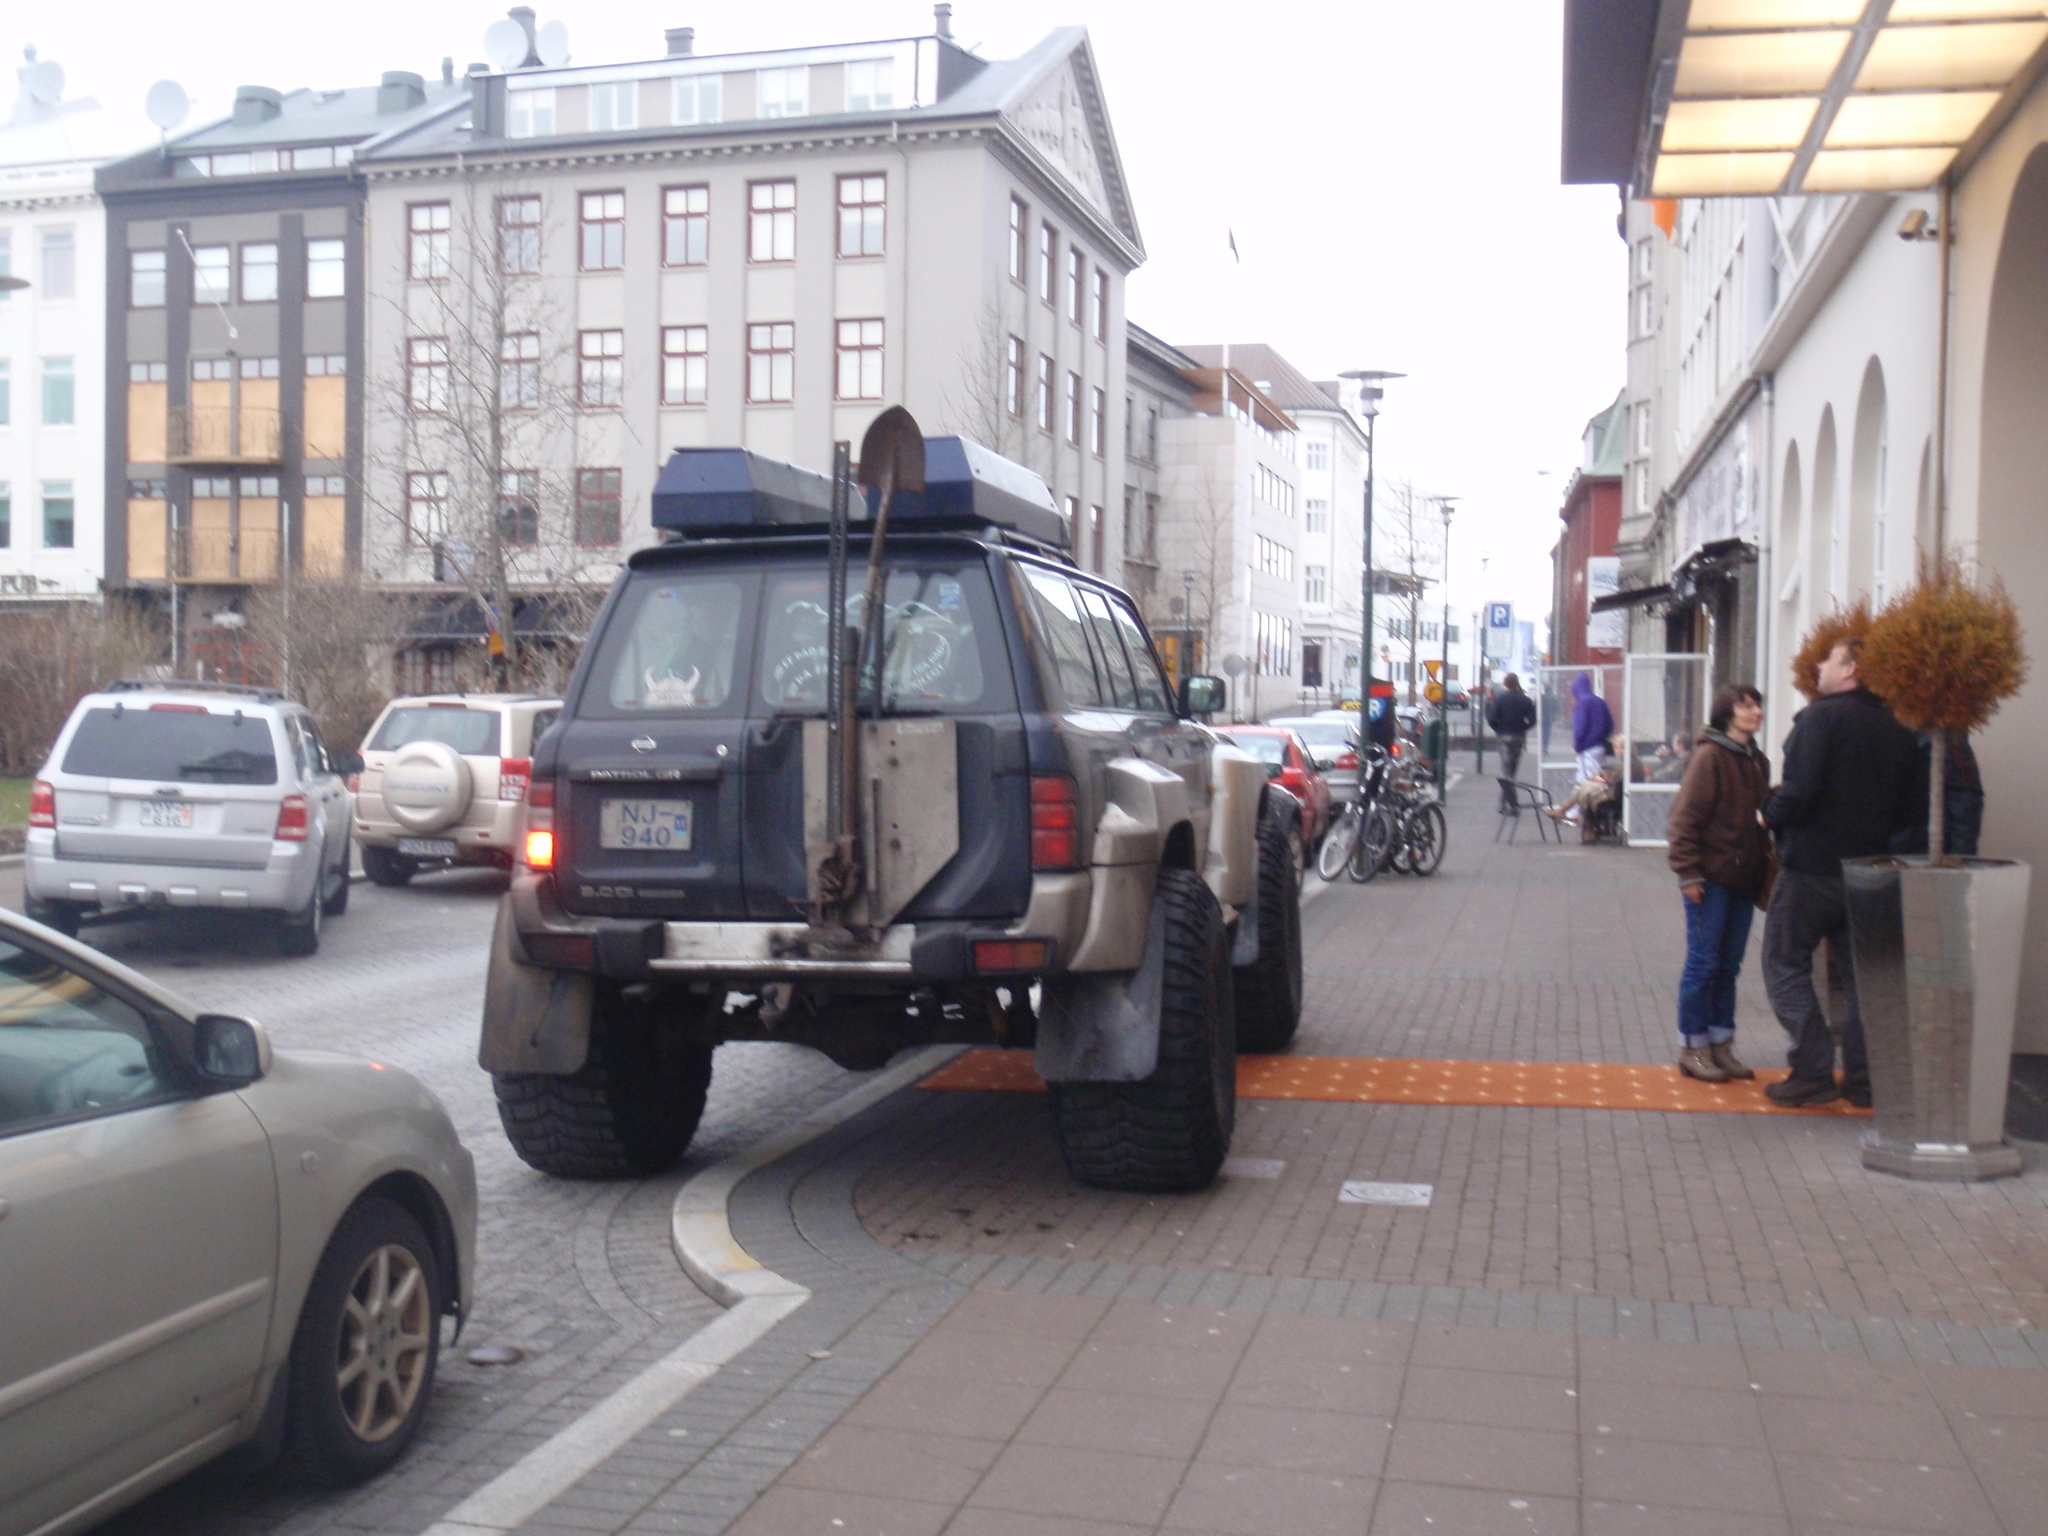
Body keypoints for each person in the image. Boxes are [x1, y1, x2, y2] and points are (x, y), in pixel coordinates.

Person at [1760, 637, 1925, 1107]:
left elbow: (1800, 790)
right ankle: (1864, 1079)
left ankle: (1813, 1069)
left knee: (1783, 963)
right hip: (1871, 872)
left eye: (1829, 658)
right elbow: (1914, 811)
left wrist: (1768, 814)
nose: (1818, 664)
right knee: (1862, 979)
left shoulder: (1820, 718)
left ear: (1850, 668)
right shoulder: (1900, 727)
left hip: (1812, 869)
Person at [1665, 686, 1771, 1083]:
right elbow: (1683, 819)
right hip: (1710, 880)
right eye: (1746, 705)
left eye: (1758, 705)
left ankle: (1720, 1042)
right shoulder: (1709, 757)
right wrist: (1688, 873)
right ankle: (1693, 1047)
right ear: (1727, 712)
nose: (1755, 711)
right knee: (1704, 963)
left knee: (1728, 966)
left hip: (1744, 878)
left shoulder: (1756, 759)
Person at [1487, 673, 1538, 786]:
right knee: (1514, 763)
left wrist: (1498, 729)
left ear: (1506, 684)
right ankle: (1510, 785)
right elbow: (1533, 720)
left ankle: (1508, 788)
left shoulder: (1500, 699)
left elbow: (1491, 719)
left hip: (1503, 735)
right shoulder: (1525, 700)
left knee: (1506, 764)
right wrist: (1524, 727)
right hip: (1518, 735)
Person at [1570, 674, 1615, 786]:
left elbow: (1580, 728)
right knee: (1598, 779)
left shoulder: (1582, 703)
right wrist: (1602, 739)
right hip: (1600, 747)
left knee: (1585, 782)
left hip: (1587, 749)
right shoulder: (1600, 702)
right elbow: (1610, 725)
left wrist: (1577, 747)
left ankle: (1583, 799)